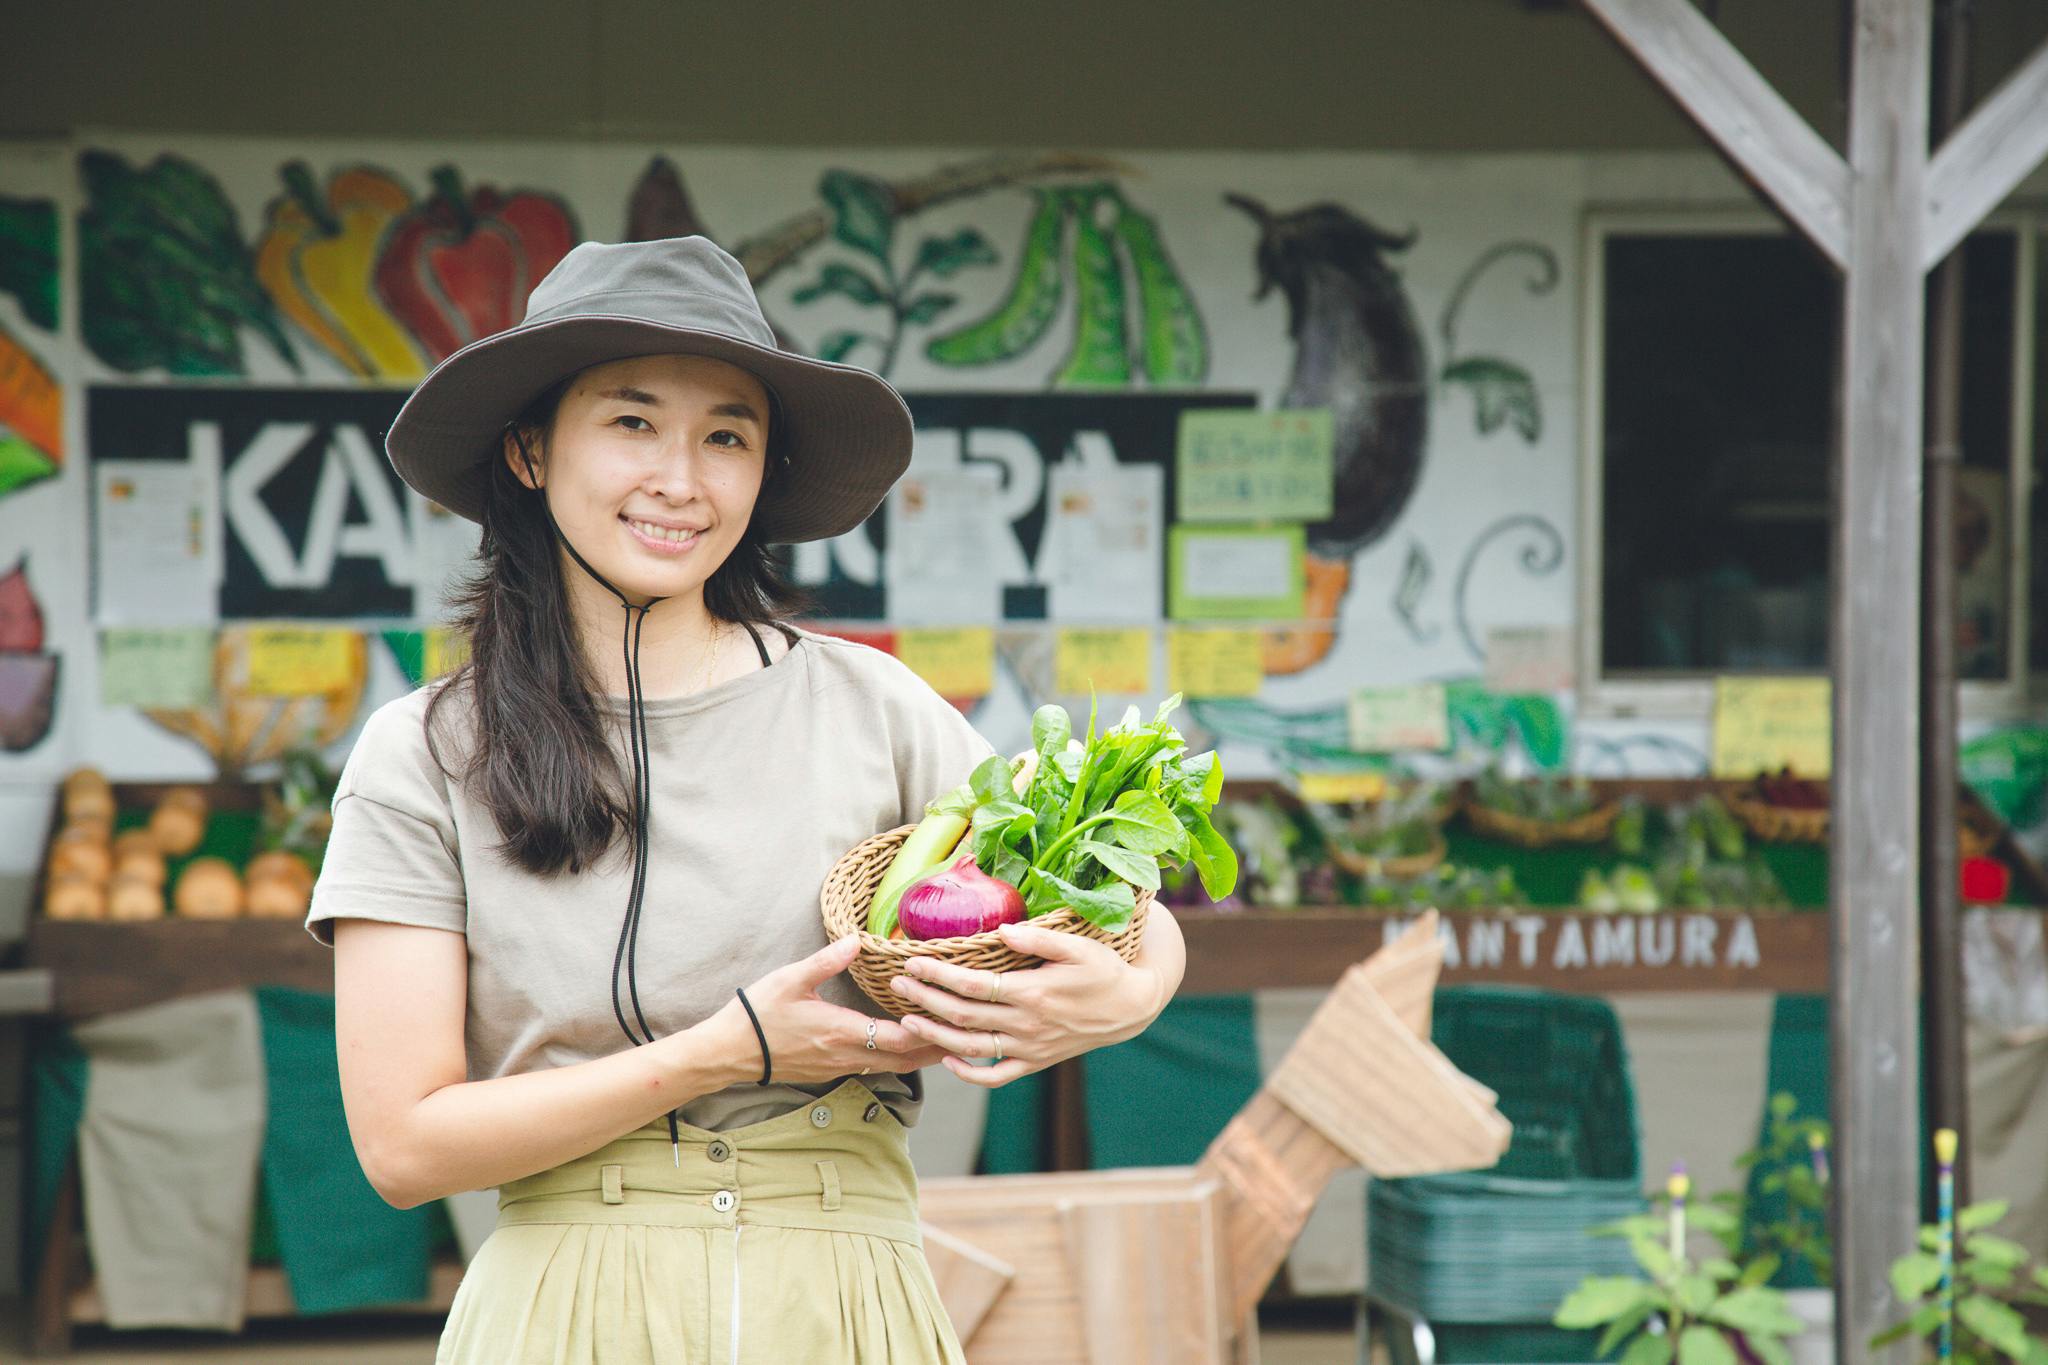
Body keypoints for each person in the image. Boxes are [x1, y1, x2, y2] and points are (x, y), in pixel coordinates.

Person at [304, 235, 1187, 1363]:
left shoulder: (873, 706)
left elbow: (1116, 903)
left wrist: (1133, 995)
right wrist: (719, 1054)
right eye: (631, 423)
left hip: (843, 1299)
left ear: (763, 471)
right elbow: (402, 1147)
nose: (681, 478)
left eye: (726, 435)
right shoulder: (425, 751)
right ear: (529, 451)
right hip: (565, 1308)